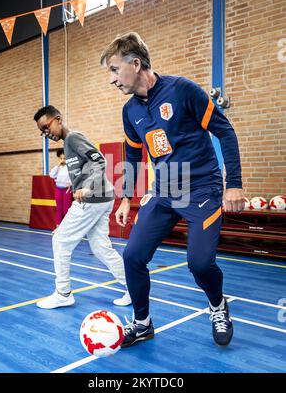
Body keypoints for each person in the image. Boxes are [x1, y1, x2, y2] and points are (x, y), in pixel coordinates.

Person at [100, 32, 245, 347]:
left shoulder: (182, 90)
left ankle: (218, 306)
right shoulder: (130, 112)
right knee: (133, 256)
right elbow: (134, 157)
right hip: (164, 192)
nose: (111, 79)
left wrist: (233, 184)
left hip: (202, 189)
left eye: (114, 70)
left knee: (200, 264)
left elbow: (225, 130)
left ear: (135, 63)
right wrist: (125, 198)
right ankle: (142, 324)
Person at [33, 105, 131, 309]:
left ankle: (63, 293)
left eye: (46, 127)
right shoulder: (69, 143)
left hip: (93, 199)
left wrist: (87, 188)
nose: (46, 133)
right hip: (103, 197)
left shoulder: (72, 138)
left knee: (60, 240)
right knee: (101, 248)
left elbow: (100, 161)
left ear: (57, 119)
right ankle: (133, 287)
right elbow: (87, 166)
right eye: (42, 131)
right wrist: (76, 184)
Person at [49, 148, 72, 229]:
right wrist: (57, 165)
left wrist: (71, 184)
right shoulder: (58, 167)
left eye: (64, 158)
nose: (63, 160)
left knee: (66, 209)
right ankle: (58, 227)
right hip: (58, 189)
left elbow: (74, 177)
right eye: (61, 158)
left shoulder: (70, 167)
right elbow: (51, 175)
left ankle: (67, 228)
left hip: (67, 190)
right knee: (59, 209)